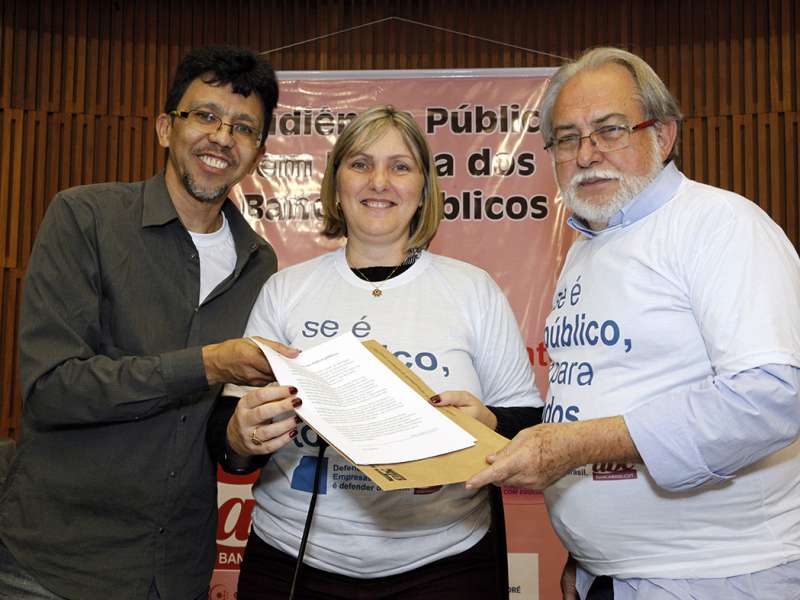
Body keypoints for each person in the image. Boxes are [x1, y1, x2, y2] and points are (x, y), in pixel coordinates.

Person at [466, 47, 800, 599]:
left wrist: (580, 446)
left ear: (663, 135)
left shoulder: (721, 225)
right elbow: (607, 392)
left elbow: (772, 396)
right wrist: (588, 551)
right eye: (567, 138)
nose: (586, 153)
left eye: (610, 129)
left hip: (718, 574)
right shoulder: (591, 241)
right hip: (614, 573)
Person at [0, 45, 302, 600]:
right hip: (54, 565)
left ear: (258, 154)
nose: (222, 137)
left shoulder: (260, 263)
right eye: (205, 116)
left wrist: (243, 437)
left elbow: (220, 425)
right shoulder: (85, 218)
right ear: (166, 128)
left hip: (178, 570)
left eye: (243, 128)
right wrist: (207, 364)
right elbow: (52, 389)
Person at [217, 105, 543, 600]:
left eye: (400, 166)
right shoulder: (285, 291)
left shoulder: (472, 290)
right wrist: (241, 435)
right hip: (292, 561)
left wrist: (488, 423)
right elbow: (229, 436)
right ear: (336, 183)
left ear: (423, 189)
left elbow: (528, 424)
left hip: (444, 565)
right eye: (361, 164)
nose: (379, 182)